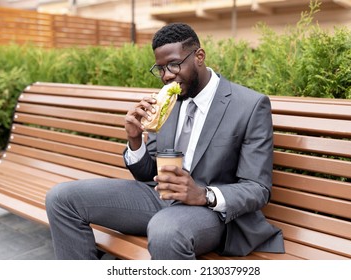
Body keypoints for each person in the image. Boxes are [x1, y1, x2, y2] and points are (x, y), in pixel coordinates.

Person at [45, 23, 284, 260]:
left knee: (166, 231)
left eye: (173, 65)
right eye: (160, 68)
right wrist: (134, 138)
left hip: (211, 212)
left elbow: (257, 188)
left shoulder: (249, 106)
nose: (166, 76)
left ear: (199, 56)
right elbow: (149, 173)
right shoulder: (166, 102)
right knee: (61, 198)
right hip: (159, 197)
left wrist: (203, 195)